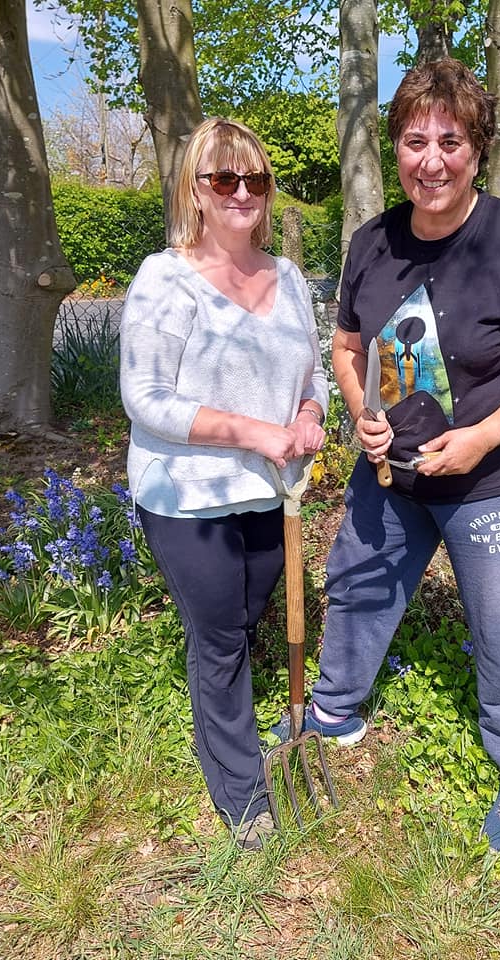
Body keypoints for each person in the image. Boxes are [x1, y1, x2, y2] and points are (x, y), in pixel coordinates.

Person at [292, 59, 500, 851]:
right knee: (356, 587)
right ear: (396, 149)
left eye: (450, 140)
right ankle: (332, 713)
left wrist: (484, 437)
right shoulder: (371, 243)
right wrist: (363, 417)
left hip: (496, 480)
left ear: (477, 149)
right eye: (415, 140)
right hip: (391, 474)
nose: (432, 159)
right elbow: (349, 345)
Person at [119, 117, 328, 850]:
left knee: (242, 624)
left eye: (256, 180)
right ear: (196, 190)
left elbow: (316, 375)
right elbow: (146, 398)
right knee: (218, 638)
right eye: (223, 179)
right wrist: (256, 431)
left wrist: (308, 412)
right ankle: (243, 799)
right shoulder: (165, 278)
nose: (242, 192)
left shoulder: (289, 277)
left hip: (271, 493)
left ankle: (234, 725)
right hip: (187, 497)